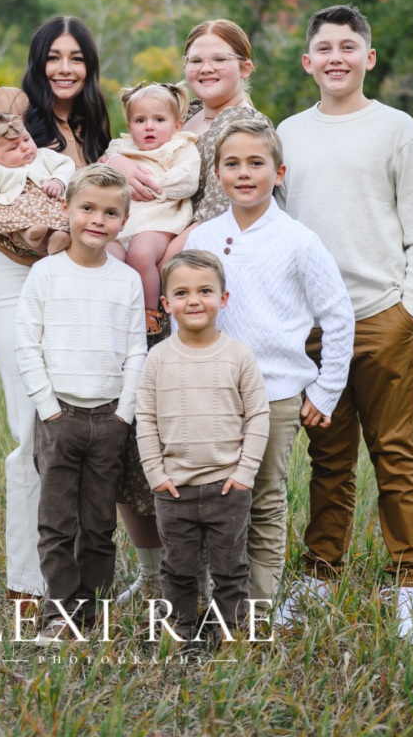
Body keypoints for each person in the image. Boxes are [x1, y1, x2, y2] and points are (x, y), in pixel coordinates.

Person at [276, 4, 413, 638]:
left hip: (380, 315)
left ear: (368, 58)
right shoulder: (288, 133)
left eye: (349, 46)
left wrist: (409, 309)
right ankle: (320, 572)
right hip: (313, 326)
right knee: (329, 457)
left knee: (395, 452)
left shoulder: (396, 129)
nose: (337, 57)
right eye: (325, 47)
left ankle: (412, 582)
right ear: (308, 61)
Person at [0, 16, 112, 600]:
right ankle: (29, 582)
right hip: (17, 281)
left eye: (76, 57)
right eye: (53, 57)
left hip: (78, 286)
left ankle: (76, 574)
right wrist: (18, 236)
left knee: (76, 424)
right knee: (31, 425)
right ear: (37, 61)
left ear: (89, 66)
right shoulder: (9, 106)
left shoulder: (96, 127)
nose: (64, 69)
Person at [110, 17, 261, 605]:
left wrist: (175, 250)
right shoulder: (178, 120)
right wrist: (121, 166)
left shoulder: (245, 126)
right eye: (195, 59)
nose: (204, 68)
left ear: (243, 66)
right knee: (141, 440)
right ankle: (156, 574)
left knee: (200, 443)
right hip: (158, 298)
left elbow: (224, 216)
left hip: (203, 305)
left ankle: (212, 580)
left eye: (218, 58)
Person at [183, 113, 355, 623]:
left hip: (276, 393)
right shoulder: (204, 237)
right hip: (210, 393)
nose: (243, 173)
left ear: (278, 174)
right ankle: (216, 597)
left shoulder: (298, 240)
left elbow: (339, 315)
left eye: (256, 163)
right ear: (216, 174)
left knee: (263, 499)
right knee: (211, 497)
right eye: (231, 164)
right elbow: (187, 313)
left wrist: (325, 392)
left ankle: (256, 607)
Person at [14, 164, 147, 644]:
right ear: (66, 211)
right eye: (87, 208)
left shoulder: (127, 280)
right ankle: (58, 613)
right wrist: (48, 408)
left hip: (108, 419)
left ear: (123, 221)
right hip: (59, 418)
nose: (97, 219)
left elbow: (136, 350)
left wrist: (123, 415)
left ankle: (91, 613)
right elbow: (27, 344)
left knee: (97, 524)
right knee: (56, 524)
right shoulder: (46, 274)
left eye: (110, 212)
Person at [136, 250, 270, 643]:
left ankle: (228, 631)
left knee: (230, 567)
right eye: (181, 293)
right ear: (166, 304)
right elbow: (145, 418)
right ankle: (180, 629)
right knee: (177, 567)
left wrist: (244, 474)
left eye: (205, 291)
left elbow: (257, 416)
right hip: (174, 488)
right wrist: (155, 474)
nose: (193, 300)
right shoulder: (158, 358)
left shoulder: (238, 356)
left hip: (226, 486)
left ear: (224, 298)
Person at [103, 82, 200, 335]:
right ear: (129, 126)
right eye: (140, 120)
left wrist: (149, 184)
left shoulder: (180, 147)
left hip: (159, 220)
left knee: (140, 255)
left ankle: (149, 313)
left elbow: (187, 181)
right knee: (104, 255)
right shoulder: (119, 149)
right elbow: (101, 174)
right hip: (122, 224)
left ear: (177, 126)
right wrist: (115, 164)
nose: (149, 126)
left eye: (159, 119)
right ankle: (111, 311)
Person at [0, 112, 74, 255]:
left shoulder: (45, 155)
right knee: (17, 213)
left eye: (26, 139)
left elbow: (66, 164)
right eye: (13, 148)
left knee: (66, 214)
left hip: (51, 202)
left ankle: (60, 238)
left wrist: (58, 181)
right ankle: (29, 235)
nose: (25, 147)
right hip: (19, 207)